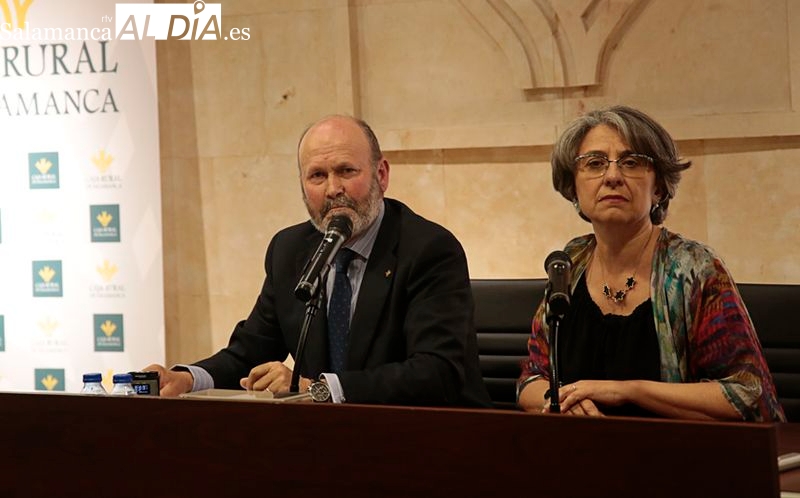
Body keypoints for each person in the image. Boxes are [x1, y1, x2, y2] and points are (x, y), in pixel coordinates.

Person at [146, 115, 491, 407]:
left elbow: (436, 373)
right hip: (324, 440)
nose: (332, 189)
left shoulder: (429, 249)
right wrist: (187, 379)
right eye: (317, 176)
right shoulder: (289, 250)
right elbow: (250, 351)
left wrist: (318, 389)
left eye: (346, 171)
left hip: (427, 438)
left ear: (382, 175)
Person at [517, 105, 784, 421]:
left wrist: (627, 391)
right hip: (579, 448)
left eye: (631, 162)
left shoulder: (694, 268)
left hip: (674, 449)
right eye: (595, 163)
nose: (612, 177)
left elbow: (748, 395)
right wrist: (563, 402)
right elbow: (530, 380)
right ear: (573, 186)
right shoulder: (569, 263)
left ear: (658, 187)